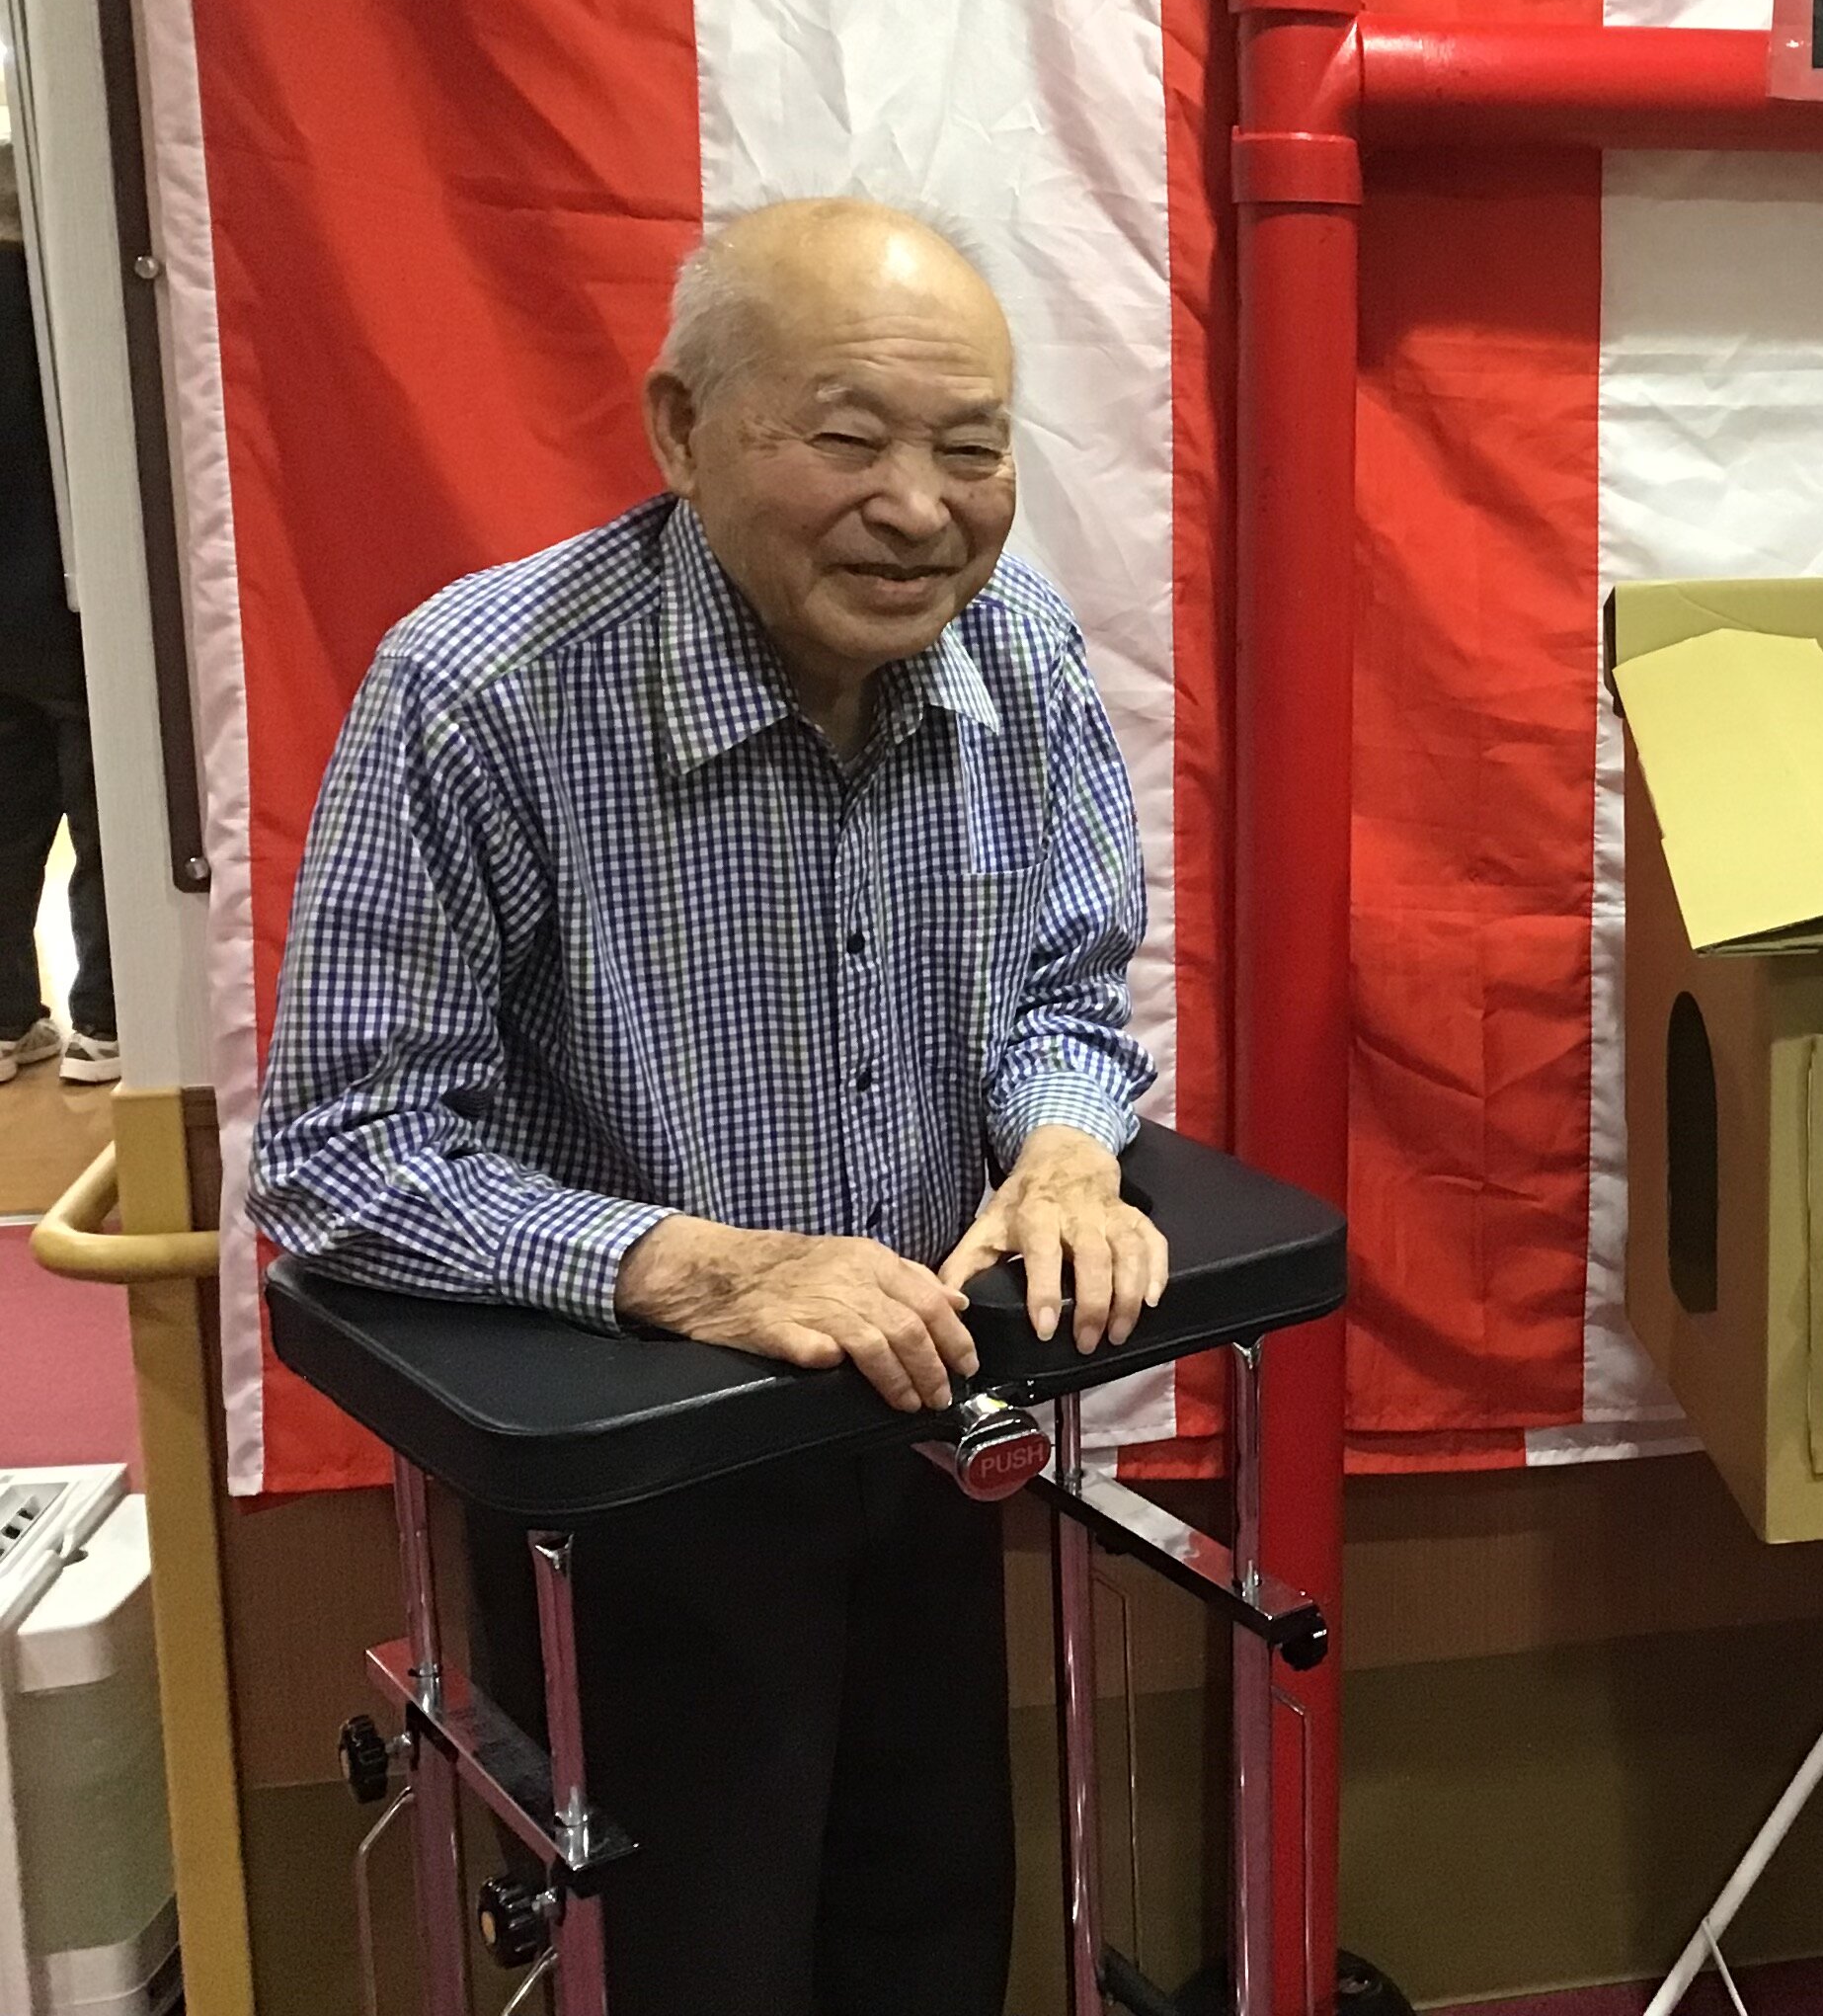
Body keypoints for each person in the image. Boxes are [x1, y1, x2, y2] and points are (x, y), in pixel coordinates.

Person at [250, 199, 1165, 2016]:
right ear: (680, 427)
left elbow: (1066, 988)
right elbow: (339, 1148)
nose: (921, 508)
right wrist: (706, 1268)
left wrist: (1066, 1139)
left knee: (931, 1934)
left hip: (932, 1413)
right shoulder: (485, 692)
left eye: (970, 449)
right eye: (850, 437)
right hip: (638, 1477)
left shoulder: (1021, 649)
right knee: (694, 1962)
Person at [0, 179, 119, 1091]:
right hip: (69, 589)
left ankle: (6, 1020)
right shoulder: (55, 296)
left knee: (7, 809)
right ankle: (109, 1018)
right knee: (104, 800)